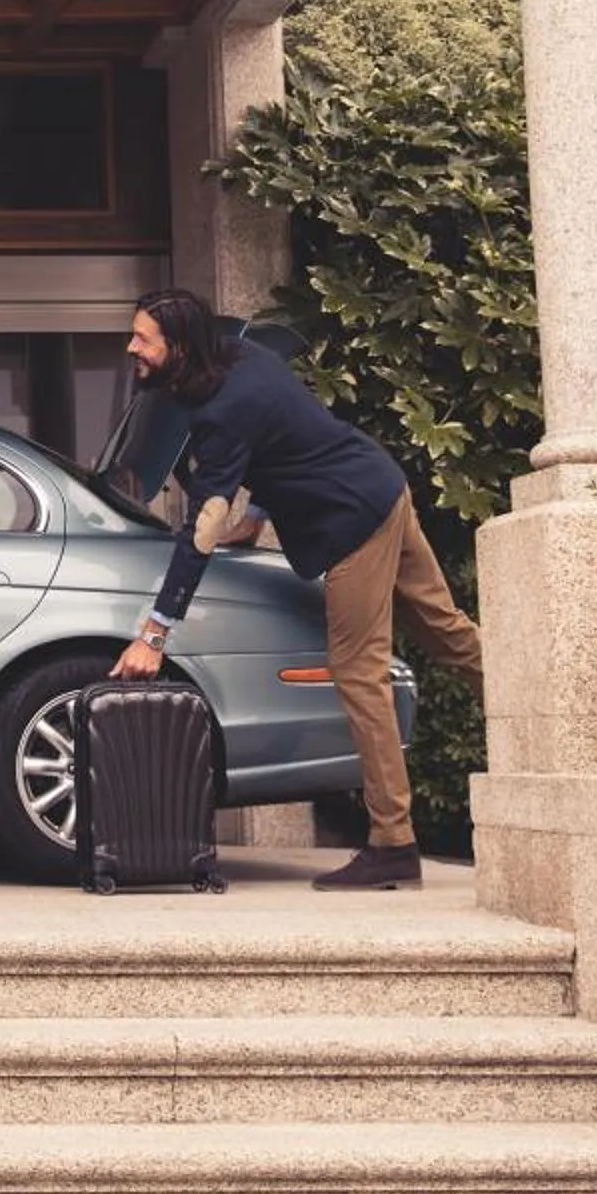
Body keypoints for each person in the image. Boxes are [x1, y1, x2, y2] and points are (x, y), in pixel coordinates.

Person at [105, 288, 482, 891]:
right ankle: (545, 729)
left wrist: (154, 634)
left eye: (143, 338)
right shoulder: (240, 358)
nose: (132, 347)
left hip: (354, 517)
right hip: (379, 485)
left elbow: (201, 531)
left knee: (359, 672)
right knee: (447, 633)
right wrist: (255, 519)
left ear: (178, 346)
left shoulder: (226, 409)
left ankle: (393, 843)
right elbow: (284, 437)